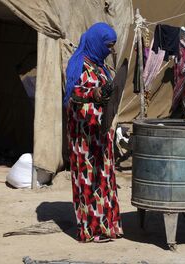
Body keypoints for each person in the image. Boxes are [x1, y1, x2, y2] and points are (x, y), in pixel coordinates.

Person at [64, 23, 122, 243]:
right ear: (97, 42)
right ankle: (91, 230)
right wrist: (94, 93)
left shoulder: (100, 67)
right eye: (107, 45)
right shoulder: (77, 64)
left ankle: (108, 226)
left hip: (102, 135)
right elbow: (72, 94)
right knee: (89, 183)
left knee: (104, 180)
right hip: (85, 138)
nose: (109, 50)